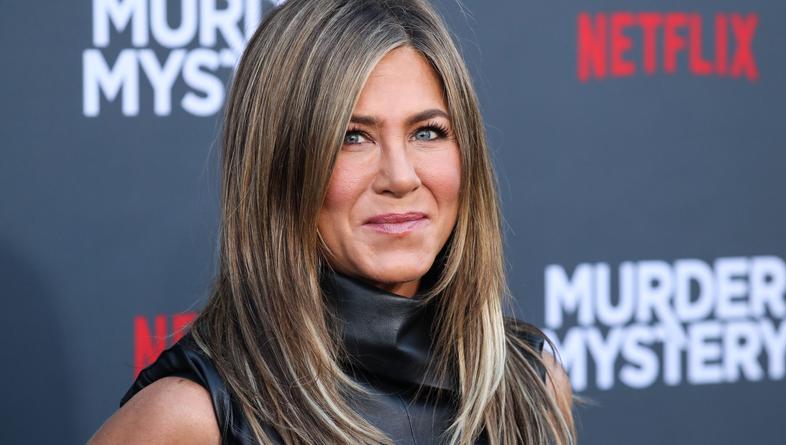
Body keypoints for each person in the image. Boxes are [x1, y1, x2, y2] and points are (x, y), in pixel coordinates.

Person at [87, 0, 577, 444]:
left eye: (427, 132)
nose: (400, 177)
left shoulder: (530, 387)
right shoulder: (189, 420)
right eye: (352, 137)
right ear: (278, 168)